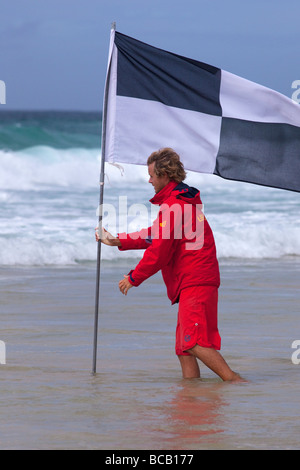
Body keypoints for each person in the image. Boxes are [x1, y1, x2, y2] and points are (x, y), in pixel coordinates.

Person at [96, 148, 243, 382]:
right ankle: (191, 397)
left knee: (192, 343)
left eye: (152, 175)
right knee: (184, 349)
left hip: (196, 279)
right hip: (193, 280)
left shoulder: (176, 205)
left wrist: (134, 278)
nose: (149, 180)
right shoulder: (177, 203)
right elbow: (155, 235)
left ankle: (237, 383)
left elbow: (159, 252)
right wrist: (117, 240)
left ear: (165, 175)